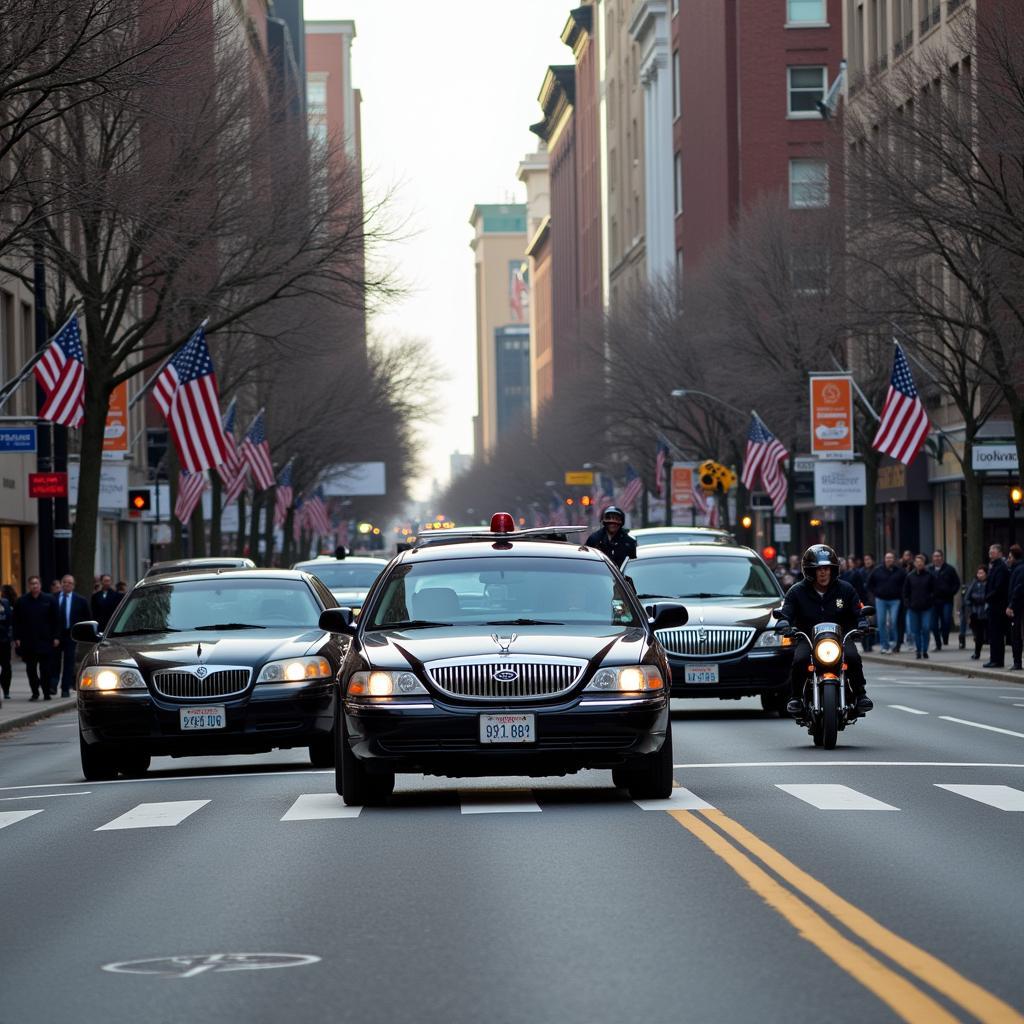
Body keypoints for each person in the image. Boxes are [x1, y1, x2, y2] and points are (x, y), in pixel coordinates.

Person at [782, 544, 873, 717]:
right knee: (800, 659)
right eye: (818, 569)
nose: (823, 573)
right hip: (808, 637)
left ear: (833, 570)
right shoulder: (797, 591)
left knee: (853, 657)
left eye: (826, 568)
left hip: (840, 638)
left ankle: (861, 694)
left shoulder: (845, 589)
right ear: (810, 571)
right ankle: (795, 698)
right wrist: (784, 623)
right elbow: (787, 611)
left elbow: (857, 611)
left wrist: (862, 623)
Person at [12, 576, 59, 700]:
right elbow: (16, 621)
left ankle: (46, 692)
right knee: (31, 669)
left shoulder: (49, 600)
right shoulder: (22, 601)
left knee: (46, 670)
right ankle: (35, 692)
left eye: (36, 583)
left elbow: (56, 620)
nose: (34, 586)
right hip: (29, 642)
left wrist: (56, 637)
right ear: (28, 586)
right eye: (32, 584)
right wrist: (17, 637)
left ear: (40, 585)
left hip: (46, 640)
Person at [55, 575, 91, 698]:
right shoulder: (53, 599)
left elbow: (87, 617)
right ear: (61, 584)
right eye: (64, 582)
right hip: (56, 635)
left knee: (69, 662)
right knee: (54, 661)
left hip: (72, 635)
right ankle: (53, 684)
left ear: (73, 585)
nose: (67, 584)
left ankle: (65, 688)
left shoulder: (80, 600)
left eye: (69, 583)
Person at [867, 551, 906, 653]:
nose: (889, 560)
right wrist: (875, 594)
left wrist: (901, 596)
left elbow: (906, 585)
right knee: (881, 622)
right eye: (887, 558)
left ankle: (895, 643)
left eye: (891, 558)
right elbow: (869, 584)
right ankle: (885, 645)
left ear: (894, 559)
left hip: (895, 600)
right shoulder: (877, 571)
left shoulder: (900, 572)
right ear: (884, 559)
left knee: (894, 621)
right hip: (881, 600)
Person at [903, 554, 935, 659]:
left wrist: (930, 600)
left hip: (926, 607)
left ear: (924, 563)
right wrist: (908, 603)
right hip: (914, 607)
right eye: (917, 562)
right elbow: (906, 592)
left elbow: (934, 590)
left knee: (926, 628)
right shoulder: (910, 576)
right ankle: (918, 650)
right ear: (914, 564)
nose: (919, 564)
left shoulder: (929, 575)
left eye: (921, 562)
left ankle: (925, 650)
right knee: (915, 630)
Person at [928, 550, 960, 652]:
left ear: (942, 557)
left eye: (939, 556)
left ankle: (945, 636)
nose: (937, 558)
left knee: (946, 620)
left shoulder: (950, 569)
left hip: (946, 600)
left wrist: (951, 592)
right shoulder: (928, 569)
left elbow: (957, 583)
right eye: (935, 556)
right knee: (933, 624)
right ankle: (938, 643)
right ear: (932, 558)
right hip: (933, 601)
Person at [983, 543, 1010, 668]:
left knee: (997, 634)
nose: (990, 554)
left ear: (999, 553)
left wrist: (987, 597)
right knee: (993, 634)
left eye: (993, 552)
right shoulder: (994, 567)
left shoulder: (1001, 568)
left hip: (998, 606)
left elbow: (998, 588)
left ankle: (997, 660)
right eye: (989, 552)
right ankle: (994, 658)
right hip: (993, 605)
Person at [963, 566, 989, 660]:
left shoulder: (988, 584)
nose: (980, 575)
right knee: (978, 635)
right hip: (975, 613)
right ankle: (977, 652)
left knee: (987, 634)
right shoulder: (974, 584)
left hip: (986, 612)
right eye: (979, 573)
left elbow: (988, 597)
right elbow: (967, 598)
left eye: (982, 573)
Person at [1006, 544, 1024, 671]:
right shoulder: (1016, 569)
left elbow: (1018, 589)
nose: (1008, 559)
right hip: (1018, 606)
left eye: (1010, 557)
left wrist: (1011, 605)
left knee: (1016, 635)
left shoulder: (1018, 570)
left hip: (1018, 608)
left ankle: (1017, 662)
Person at [0, 584, 12, 704]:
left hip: (4, 641)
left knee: (6, 667)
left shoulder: (5, 603)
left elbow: (10, 620)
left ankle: (6, 690)